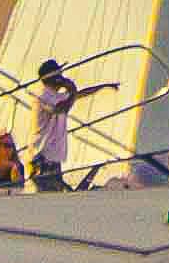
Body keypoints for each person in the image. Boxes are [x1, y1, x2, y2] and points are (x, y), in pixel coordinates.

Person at [27, 59, 113, 190]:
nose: (63, 78)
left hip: (52, 158)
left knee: (55, 195)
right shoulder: (43, 96)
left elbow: (78, 95)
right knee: (49, 197)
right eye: (59, 75)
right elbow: (61, 108)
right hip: (43, 158)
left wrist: (103, 87)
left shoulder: (54, 96)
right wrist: (72, 91)